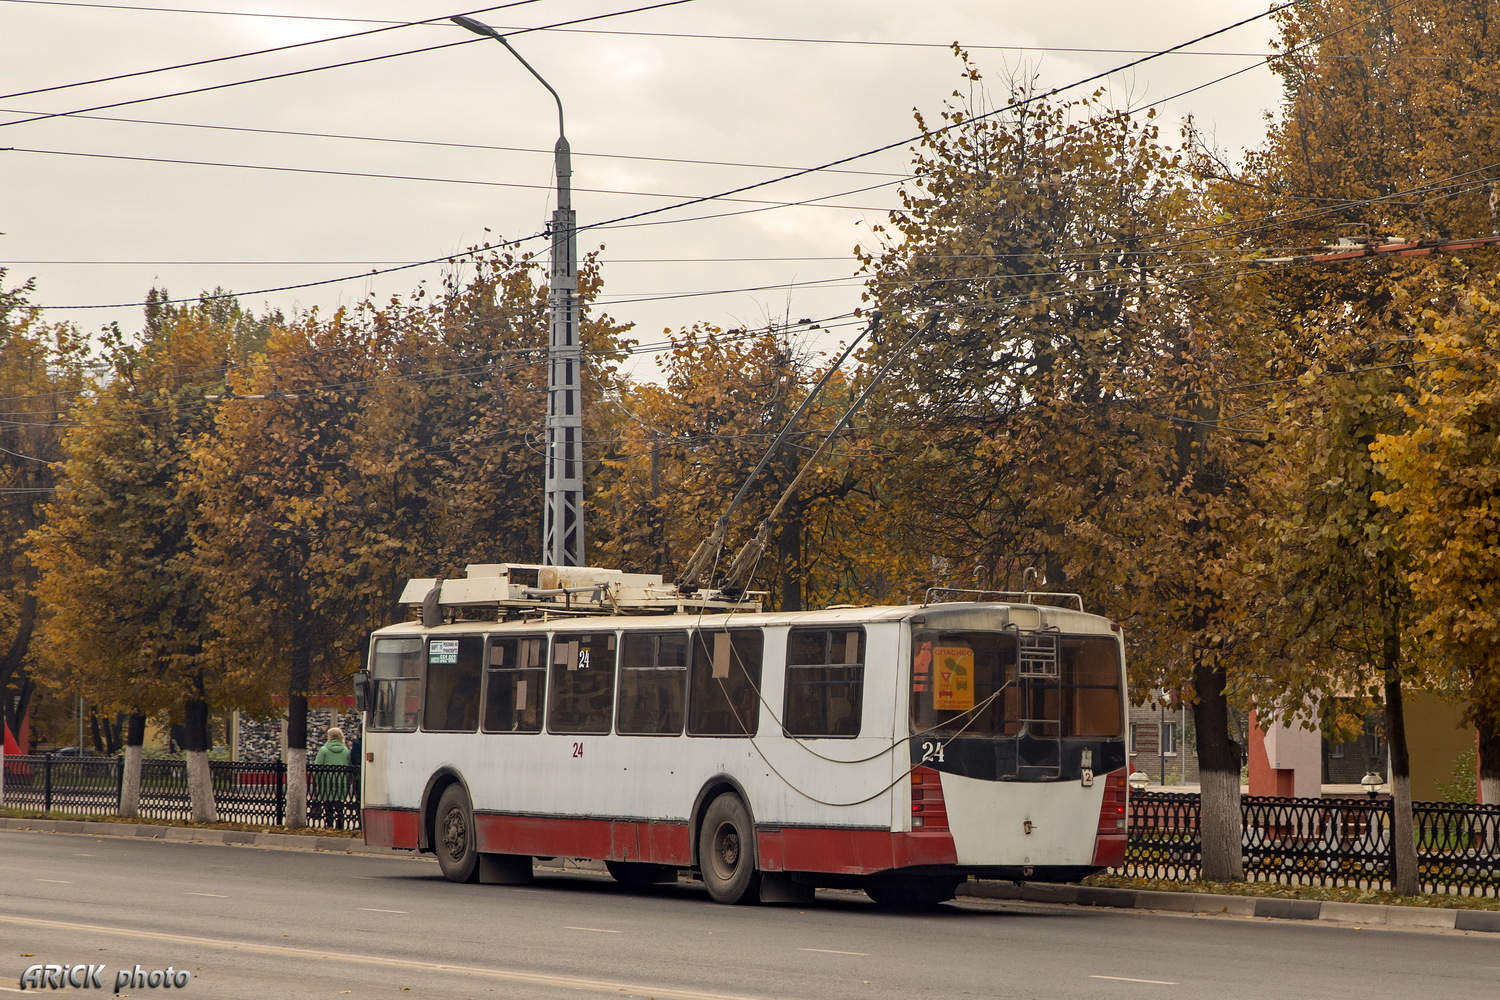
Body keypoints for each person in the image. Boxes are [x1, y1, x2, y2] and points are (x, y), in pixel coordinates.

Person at [313, 727, 351, 830]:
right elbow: (349, 766)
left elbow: (317, 766)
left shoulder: (323, 750)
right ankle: (340, 825)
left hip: (326, 781)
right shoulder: (345, 750)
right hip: (341, 780)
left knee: (327, 804)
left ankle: (329, 824)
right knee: (339, 804)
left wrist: (317, 780)